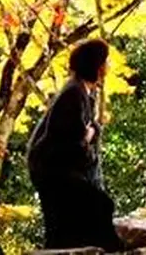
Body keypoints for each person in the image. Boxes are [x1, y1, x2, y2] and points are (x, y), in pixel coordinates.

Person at [27, 39, 125, 251]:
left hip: (60, 169)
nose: (108, 67)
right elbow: (71, 143)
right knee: (97, 208)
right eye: (105, 62)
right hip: (52, 170)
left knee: (72, 225)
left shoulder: (84, 92)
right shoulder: (73, 94)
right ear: (97, 66)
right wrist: (89, 135)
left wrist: (91, 134)